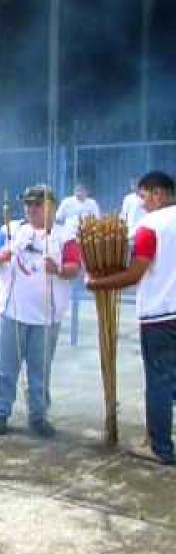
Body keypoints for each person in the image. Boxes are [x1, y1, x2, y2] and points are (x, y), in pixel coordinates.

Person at [87, 171, 176, 465]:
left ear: (159, 194)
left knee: (160, 380)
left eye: (145, 196)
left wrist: (97, 284)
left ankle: (160, 447)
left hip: (159, 315)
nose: (143, 203)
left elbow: (136, 273)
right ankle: (158, 437)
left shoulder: (150, 226)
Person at [0, 185, 82, 438]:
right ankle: (0, 411)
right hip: (9, 311)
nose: (31, 209)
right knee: (3, 365)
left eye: (37, 204)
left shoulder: (65, 236)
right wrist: (1, 257)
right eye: (28, 204)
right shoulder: (11, 230)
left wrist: (59, 269)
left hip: (46, 315)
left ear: (51, 206)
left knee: (40, 369)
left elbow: (74, 267)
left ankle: (38, 416)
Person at [119, 179, 148, 243]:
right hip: (130, 229)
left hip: (143, 229)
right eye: (133, 185)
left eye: (137, 185)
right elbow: (123, 214)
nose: (135, 187)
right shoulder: (128, 198)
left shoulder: (147, 197)